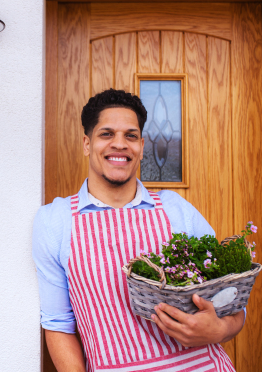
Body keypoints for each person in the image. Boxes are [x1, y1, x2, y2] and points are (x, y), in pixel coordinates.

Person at [32, 89, 245, 371]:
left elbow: (232, 300)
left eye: (130, 136)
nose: (120, 144)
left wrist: (218, 330)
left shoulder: (174, 208)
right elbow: (58, 324)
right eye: (106, 134)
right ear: (87, 143)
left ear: (142, 146)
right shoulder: (55, 221)